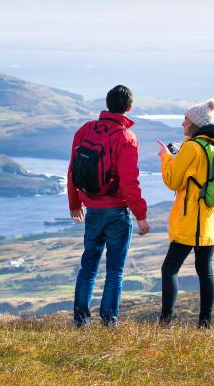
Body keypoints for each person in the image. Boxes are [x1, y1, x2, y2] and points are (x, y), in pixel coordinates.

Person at [68, 85, 149, 328]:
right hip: (116, 212)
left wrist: (75, 202)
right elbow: (129, 181)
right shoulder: (126, 137)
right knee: (115, 270)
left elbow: (73, 168)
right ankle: (109, 322)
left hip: (92, 209)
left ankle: (81, 321)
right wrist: (141, 216)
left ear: (107, 103)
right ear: (129, 108)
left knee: (88, 266)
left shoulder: (86, 129)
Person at [156, 98, 214, 329]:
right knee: (205, 272)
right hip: (210, 221)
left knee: (169, 269)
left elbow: (173, 181)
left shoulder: (192, 147)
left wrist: (166, 158)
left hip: (189, 221)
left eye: (186, 120)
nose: (182, 123)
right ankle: (204, 325)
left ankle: (166, 322)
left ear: (195, 123)